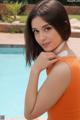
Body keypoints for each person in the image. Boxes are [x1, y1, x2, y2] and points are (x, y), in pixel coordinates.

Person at [24, 0, 80, 120]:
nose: (41, 38)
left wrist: (35, 70)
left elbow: (29, 114)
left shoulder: (62, 69)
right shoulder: (68, 58)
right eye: (36, 31)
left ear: (63, 26)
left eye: (47, 28)